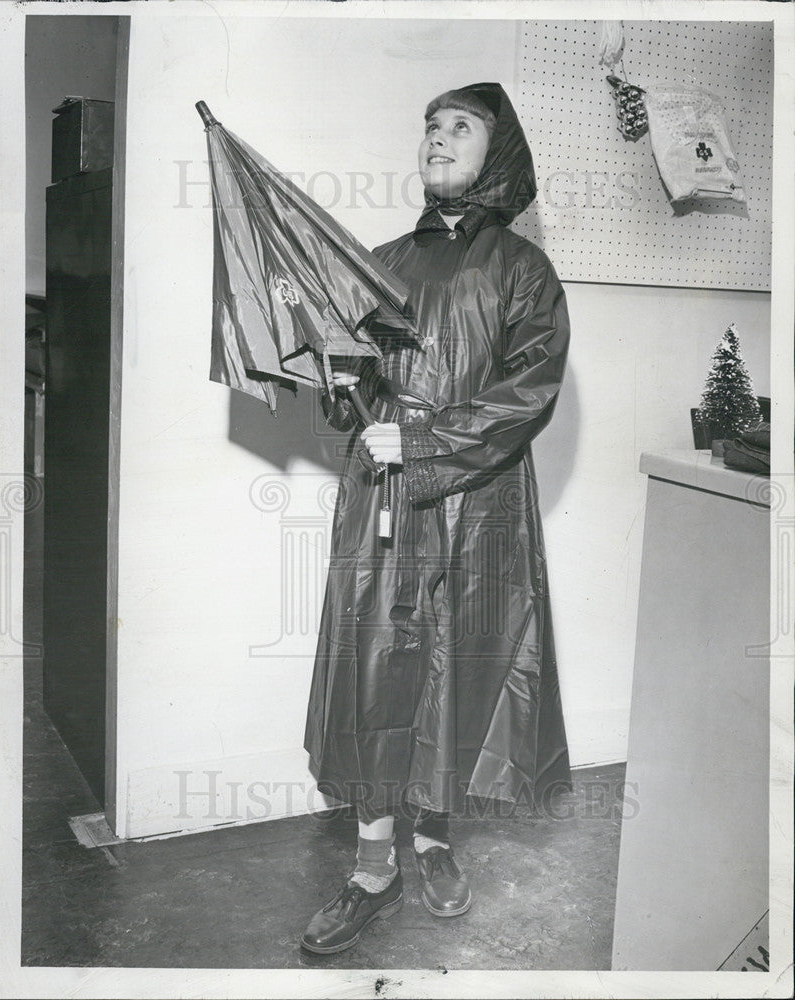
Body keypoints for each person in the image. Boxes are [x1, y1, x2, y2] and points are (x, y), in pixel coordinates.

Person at [301, 82, 571, 955]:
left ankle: (435, 842)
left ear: (495, 154)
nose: (437, 138)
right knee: (376, 673)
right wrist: (343, 389)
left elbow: (525, 392)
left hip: (478, 507)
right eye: (429, 125)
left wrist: (421, 440)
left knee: (460, 667)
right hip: (382, 509)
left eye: (459, 127)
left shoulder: (522, 270)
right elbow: (360, 404)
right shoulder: (376, 263)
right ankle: (372, 865)